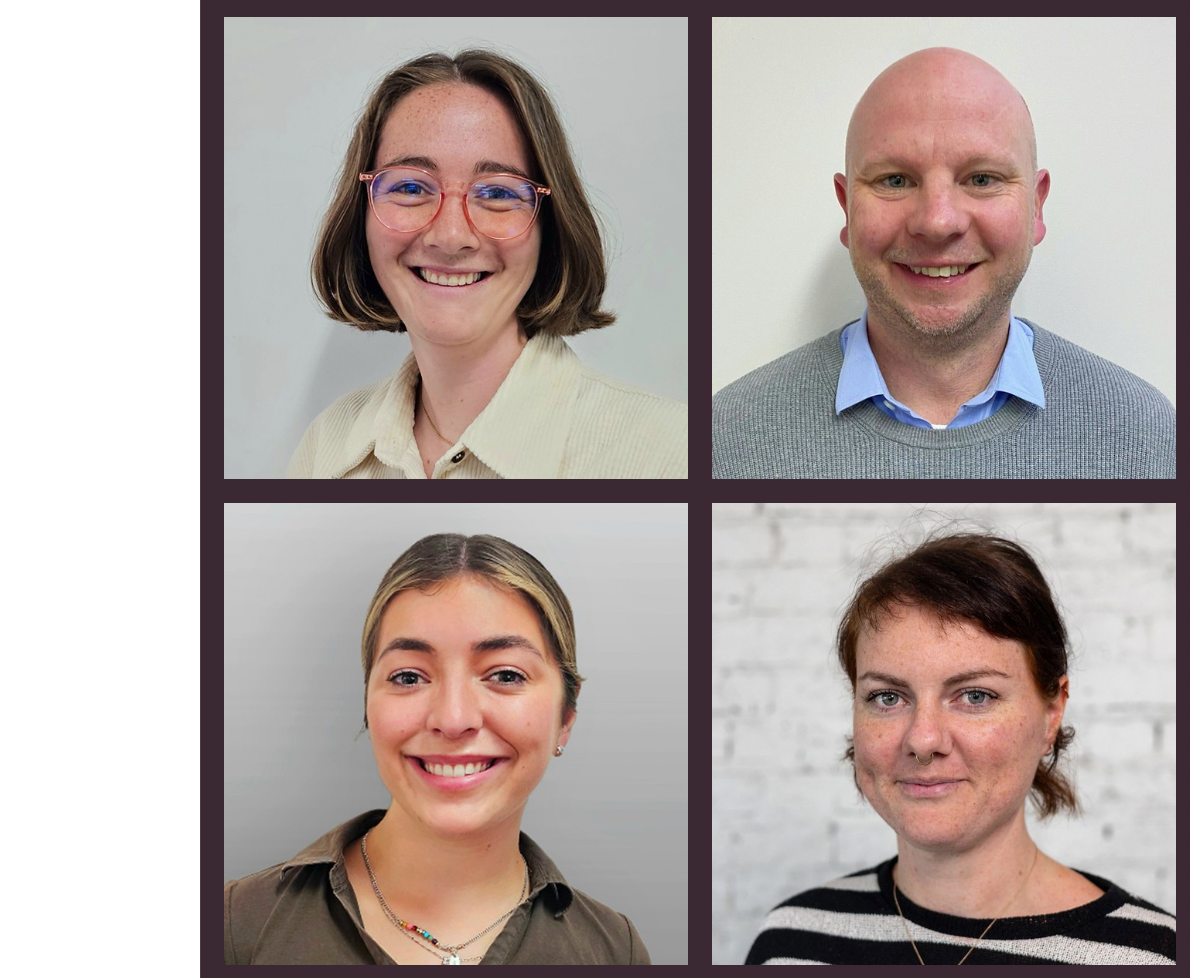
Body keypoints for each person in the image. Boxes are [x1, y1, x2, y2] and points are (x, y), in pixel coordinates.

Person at [712, 47, 1175, 479]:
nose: (937, 222)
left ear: (1036, 207)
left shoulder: (1148, 439)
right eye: (895, 180)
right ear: (847, 208)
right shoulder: (727, 439)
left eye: (981, 178)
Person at [745, 531, 1175, 964]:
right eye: (888, 697)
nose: (923, 740)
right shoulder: (790, 943)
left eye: (975, 696)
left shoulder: (1150, 955)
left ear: (1051, 712)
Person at [224, 533, 651, 964]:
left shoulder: (616, 952)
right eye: (409, 677)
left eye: (505, 676)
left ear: (565, 719)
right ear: (369, 708)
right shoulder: (234, 926)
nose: (452, 718)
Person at [287, 50, 686, 479]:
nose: (451, 237)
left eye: (497, 194)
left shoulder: (672, 451)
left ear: (548, 227)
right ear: (360, 213)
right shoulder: (326, 446)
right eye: (409, 186)